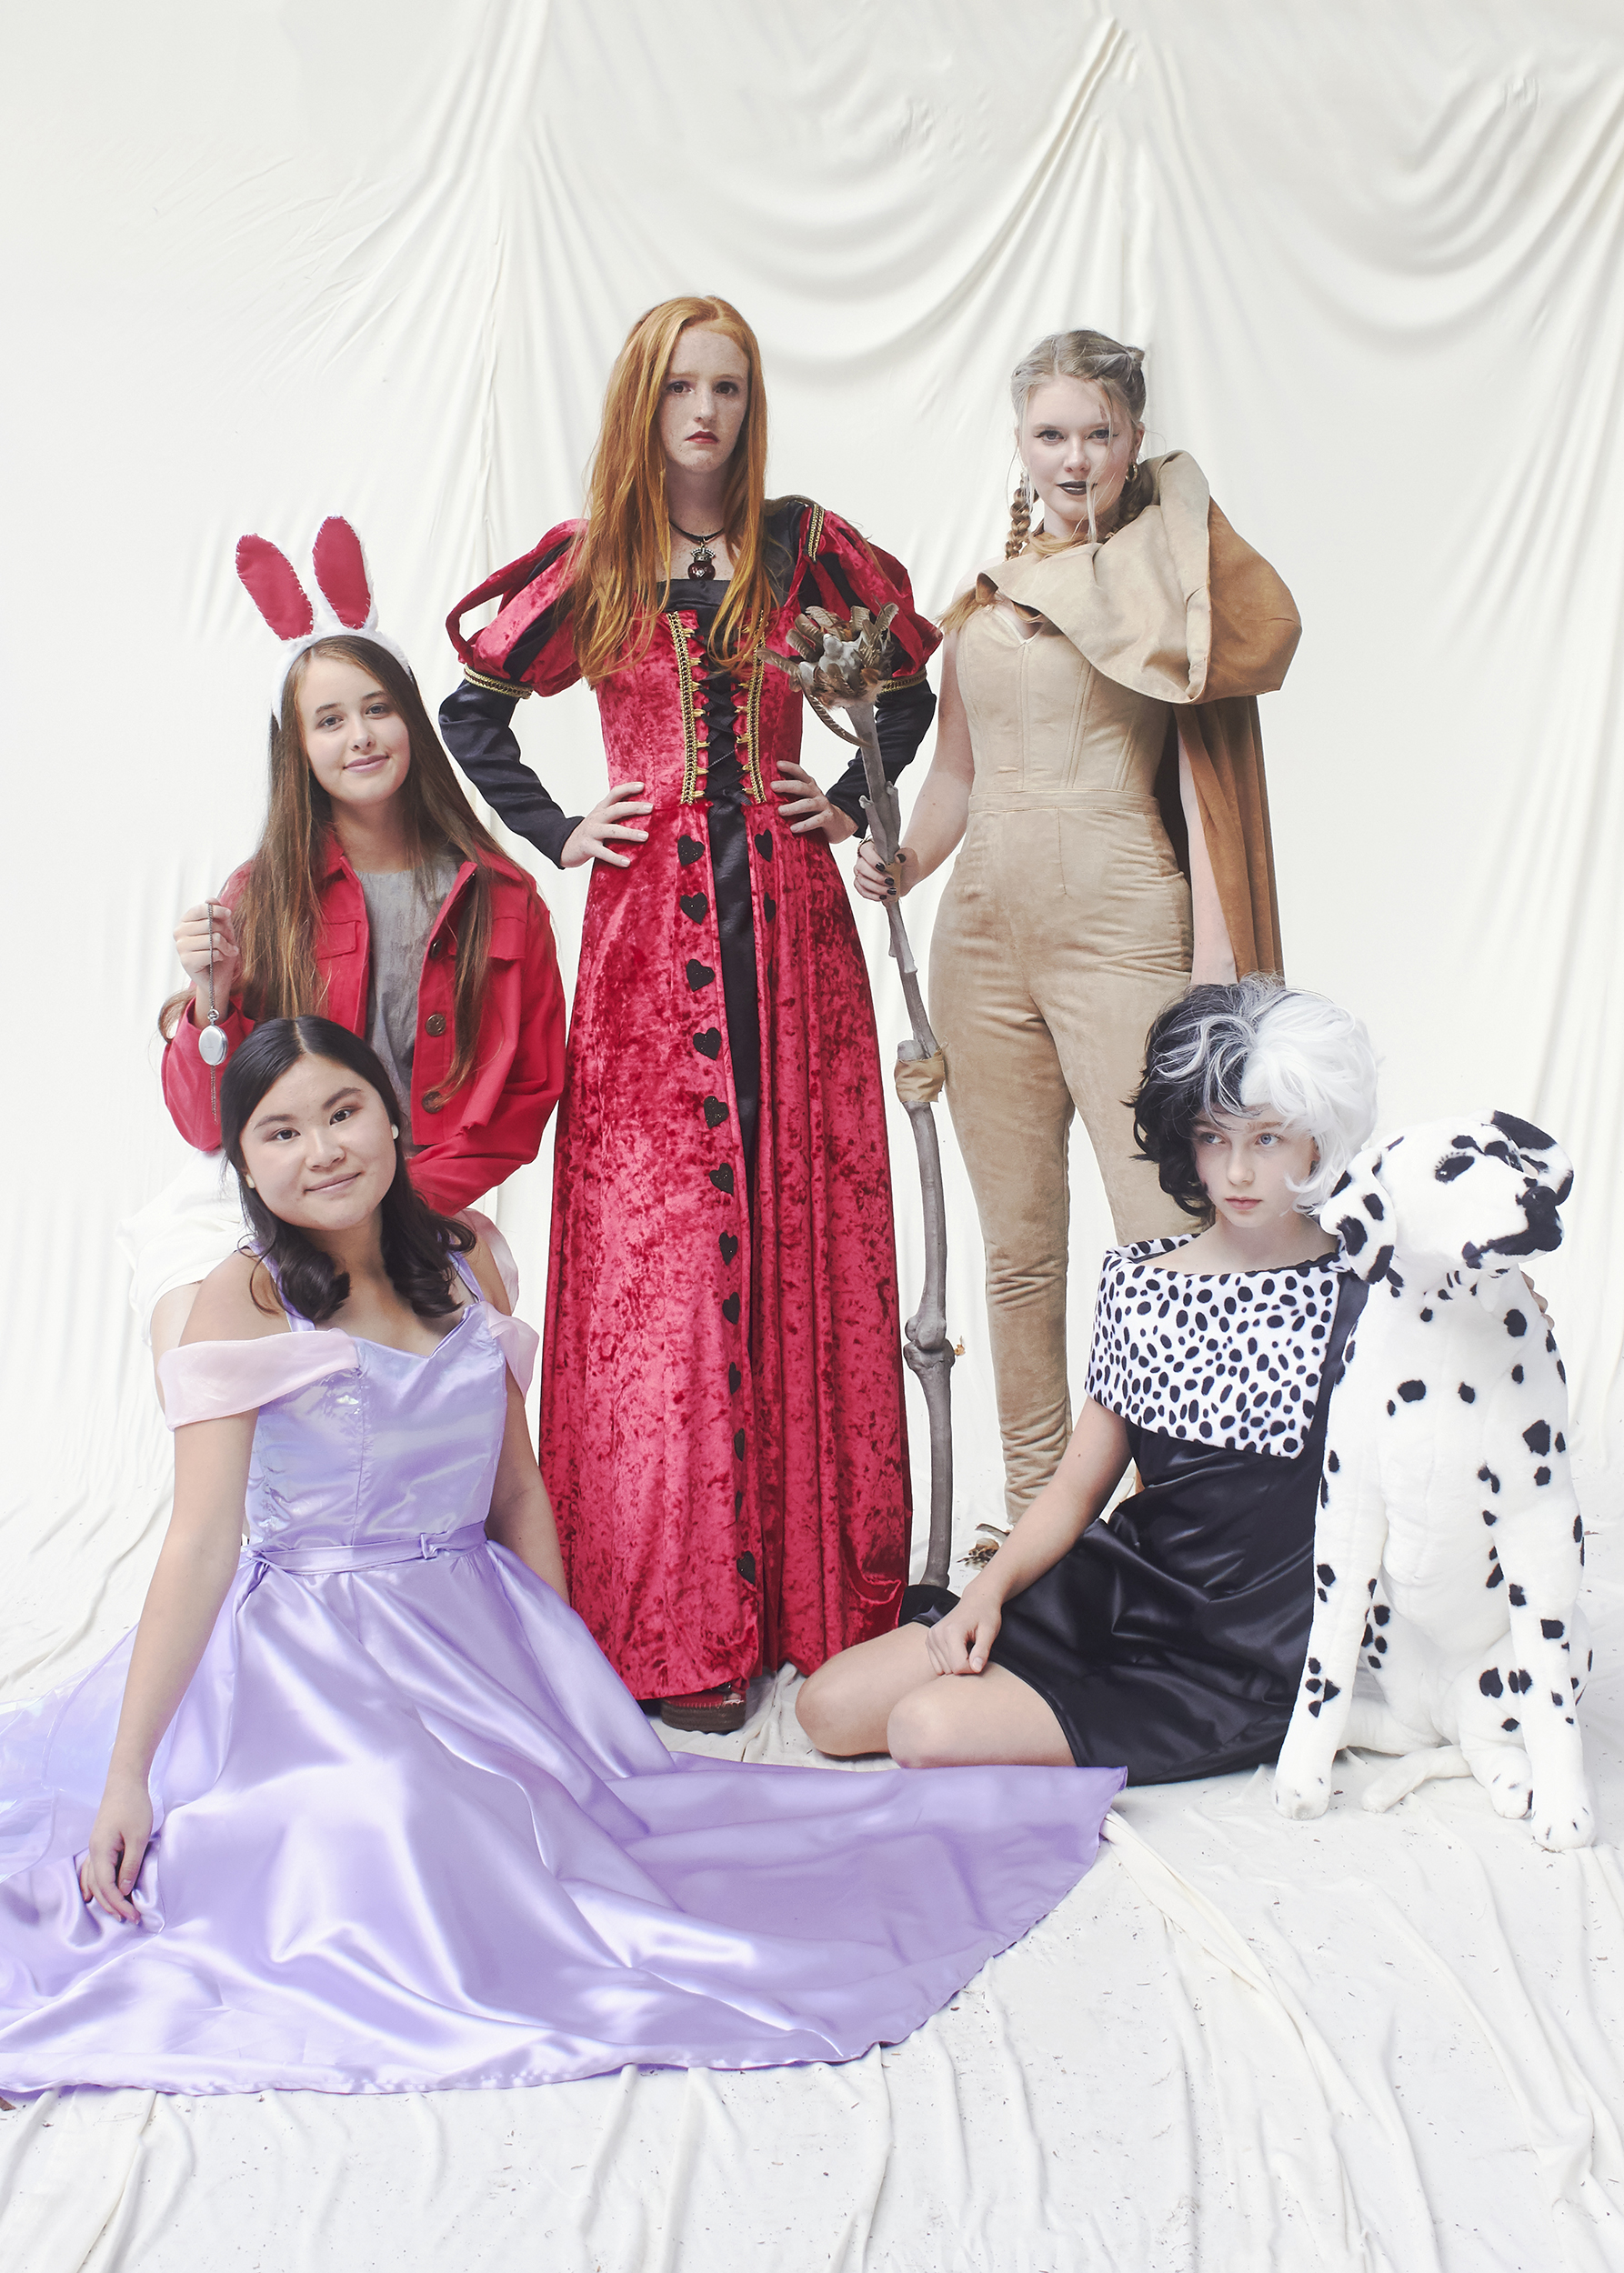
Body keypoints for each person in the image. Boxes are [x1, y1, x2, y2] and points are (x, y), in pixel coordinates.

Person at [0, 1018, 1122, 2095]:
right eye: (280, 1133)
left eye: (343, 1112)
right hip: (314, 1647)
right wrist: (129, 1773)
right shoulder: (242, 1302)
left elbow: (516, 1488)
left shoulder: (465, 1261)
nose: (322, 1150)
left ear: (391, 1121)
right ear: (244, 1162)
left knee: (593, 1809)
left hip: (473, 1622)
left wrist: (561, 1675)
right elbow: (199, 1545)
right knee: (400, 1807)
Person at [437, 297, 941, 1731]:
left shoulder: (800, 550)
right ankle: (675, 1616)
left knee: (802, 1222)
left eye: (726, 386)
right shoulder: (598, 560)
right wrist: (559, 827)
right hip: (651, 943)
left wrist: (839, 805)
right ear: (641, 404)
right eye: (679, 388)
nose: (704, 412)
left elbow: (900, 686)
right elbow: (468, 710)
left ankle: (813, 1600)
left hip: (791, 931)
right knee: (659, 1267)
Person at [855, 330, 1301, 1524]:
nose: (1074, 455)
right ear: (1019, 444)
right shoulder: (985, 597)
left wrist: (1215, 972)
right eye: (1050, 433)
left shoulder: (1168, 587)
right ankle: (1033, 1521)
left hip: (1122, 932)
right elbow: (953, 776)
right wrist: (897, 861)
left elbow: (1215, 760)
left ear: (1133, 443)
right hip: (980, 939)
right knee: (1016, 1251)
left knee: (1165, 1235)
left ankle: (1186, 1524)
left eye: (1098, 432)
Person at [797, 978, 1380, 1784]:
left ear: (1319, 1138)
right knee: (826, 1709)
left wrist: (1506, 1300)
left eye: (1270, 1139)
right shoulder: (1141, 1283)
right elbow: (1077, 1487)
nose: (1239, 1169)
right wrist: (987, 1594)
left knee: (922, 1731)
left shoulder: (1371, 1289)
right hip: (1123, 1588)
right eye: (1214, 1138)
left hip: (1245, 1643)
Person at [125, 518, 566, 1375]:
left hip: (419, 1198)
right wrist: (209, 994)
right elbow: (199, 1118)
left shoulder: (503, 899)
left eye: (377, 709)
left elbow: (526, 1097)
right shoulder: (263, 894)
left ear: (410, 722)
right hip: (273, 1197)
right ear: (300, 750)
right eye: (329, 721)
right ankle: (245, 1511)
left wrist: (395, 1204)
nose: (359, 736)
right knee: (199, 1339)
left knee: (471, 1361)